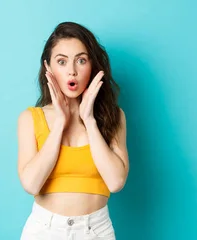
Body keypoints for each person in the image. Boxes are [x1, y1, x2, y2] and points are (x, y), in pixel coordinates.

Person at [17, 22, 129, 240]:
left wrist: (89, 120)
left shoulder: (114, 117)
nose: (72, 71)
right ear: (48, 67)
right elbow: (31, 184)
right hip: (44, 230)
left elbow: (116, 182)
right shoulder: (30, 118)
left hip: (96, 230)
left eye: (81, 60)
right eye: (61, 61)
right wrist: (60, 123)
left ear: (93, 66)